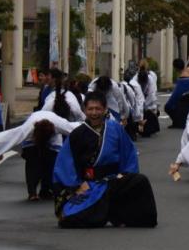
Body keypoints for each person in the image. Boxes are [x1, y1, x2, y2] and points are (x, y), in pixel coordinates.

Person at [52, 92, 158, 228]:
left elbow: (128, 154)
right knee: (70, 219)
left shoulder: (115, 128)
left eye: (98, 109)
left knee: (140, 181)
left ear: (105, 109)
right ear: (84, 110)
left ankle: (127, 215)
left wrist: (125, 174)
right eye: (90, 109)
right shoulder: (77, 134)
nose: (94, 113)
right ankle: (106, 213)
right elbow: (65, 164)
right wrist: (77, 185)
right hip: (90, 185)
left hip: (114, 180)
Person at [0, 110, 79, 201]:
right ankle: (32, 192)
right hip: (32, 139)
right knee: (32, 162)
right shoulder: (28, 128)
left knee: (52, 162)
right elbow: (11, 137)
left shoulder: (60, 125)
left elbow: (78, 129)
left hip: (52, 140)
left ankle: (46, 189)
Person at [165, 57, 189, 128]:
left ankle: (177, 123)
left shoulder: (182, 79)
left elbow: (176, 95)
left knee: (168, 107)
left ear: (175, 68)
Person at [133, 62, 160, 137]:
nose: (143, 84)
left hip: (148, 100)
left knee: (150, 112)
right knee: (137, 111)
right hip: (137, 98)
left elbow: (152, 96)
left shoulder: (151, 79)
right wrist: (140, 115)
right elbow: (138, 99)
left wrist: (148, 108)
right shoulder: (134, 81)